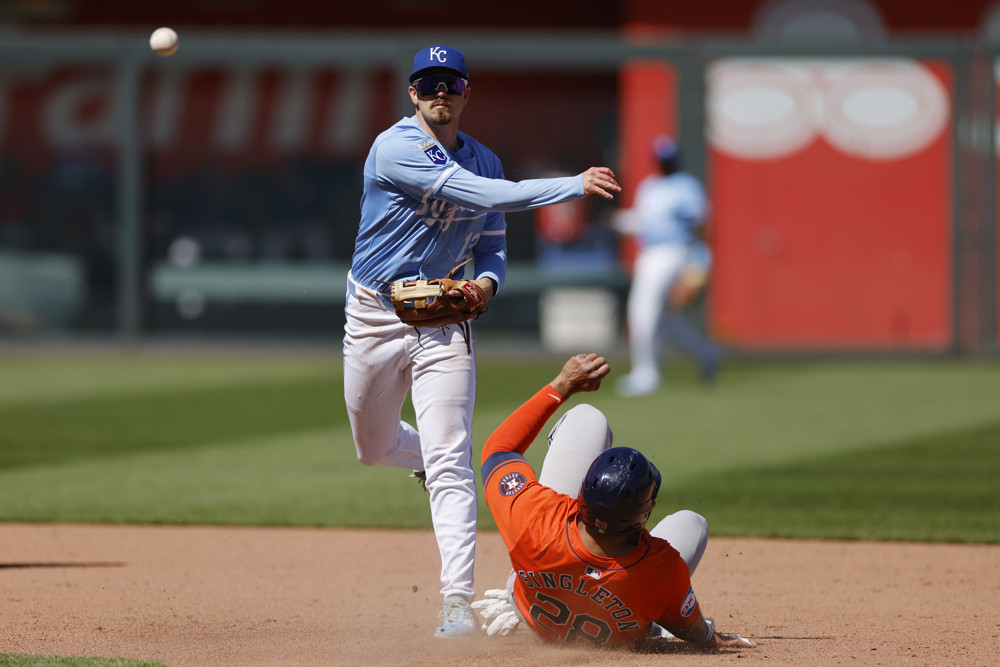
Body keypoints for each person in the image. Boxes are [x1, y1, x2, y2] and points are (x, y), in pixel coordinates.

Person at [342, 45, 622, 639]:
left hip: (443, 322)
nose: (439, 93)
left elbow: (492, 239)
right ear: (412, 94)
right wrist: (572, 183)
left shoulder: (486, 159)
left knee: (452, 464)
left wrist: (487, 283)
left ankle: (455, 604)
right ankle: (427, 462)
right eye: (428, 85)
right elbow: (485, 197)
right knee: (372, 447)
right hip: (375, 314)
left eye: (450, 84)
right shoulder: (394, 148)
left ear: (466, 92)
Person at [474, 352, 756, 651]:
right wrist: (710, 637)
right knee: (691, 521)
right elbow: (694, 631)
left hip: (530, 604)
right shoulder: (661, 568)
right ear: (641, 515)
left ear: (582, 493)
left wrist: (562, 384)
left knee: (587, 418)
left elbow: (498, 449)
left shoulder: (533, 519)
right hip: (613, 639)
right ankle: (653, 621)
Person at [615, 135, 721, 397]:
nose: (665, 163)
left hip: (673, 252)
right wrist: (618, 222)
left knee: (643, 311)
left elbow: (702, 227)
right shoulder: (649, 186)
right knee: (663, 320)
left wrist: (700, 264)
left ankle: (646, 375)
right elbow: (642, 222)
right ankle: (707, 353)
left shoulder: (687, 187)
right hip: (650, 253)